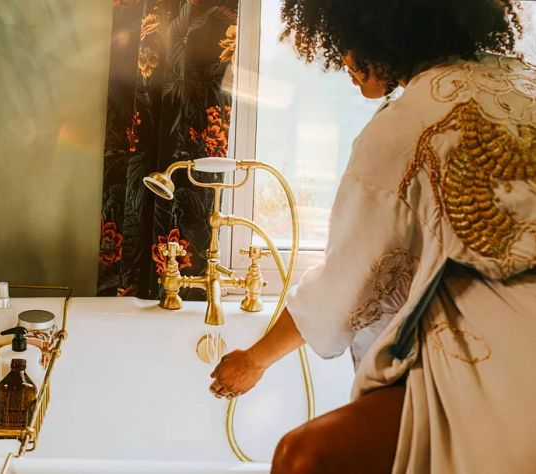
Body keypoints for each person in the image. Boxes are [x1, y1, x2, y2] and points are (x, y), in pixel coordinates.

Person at [209, 1, 536, 472]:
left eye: (346, 42)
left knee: (301, 458)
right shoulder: (522, 82)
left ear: (378, 29)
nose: (343, 59)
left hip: (504, 370)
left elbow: (347, 287)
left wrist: (255, 360)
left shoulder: (404, 128)